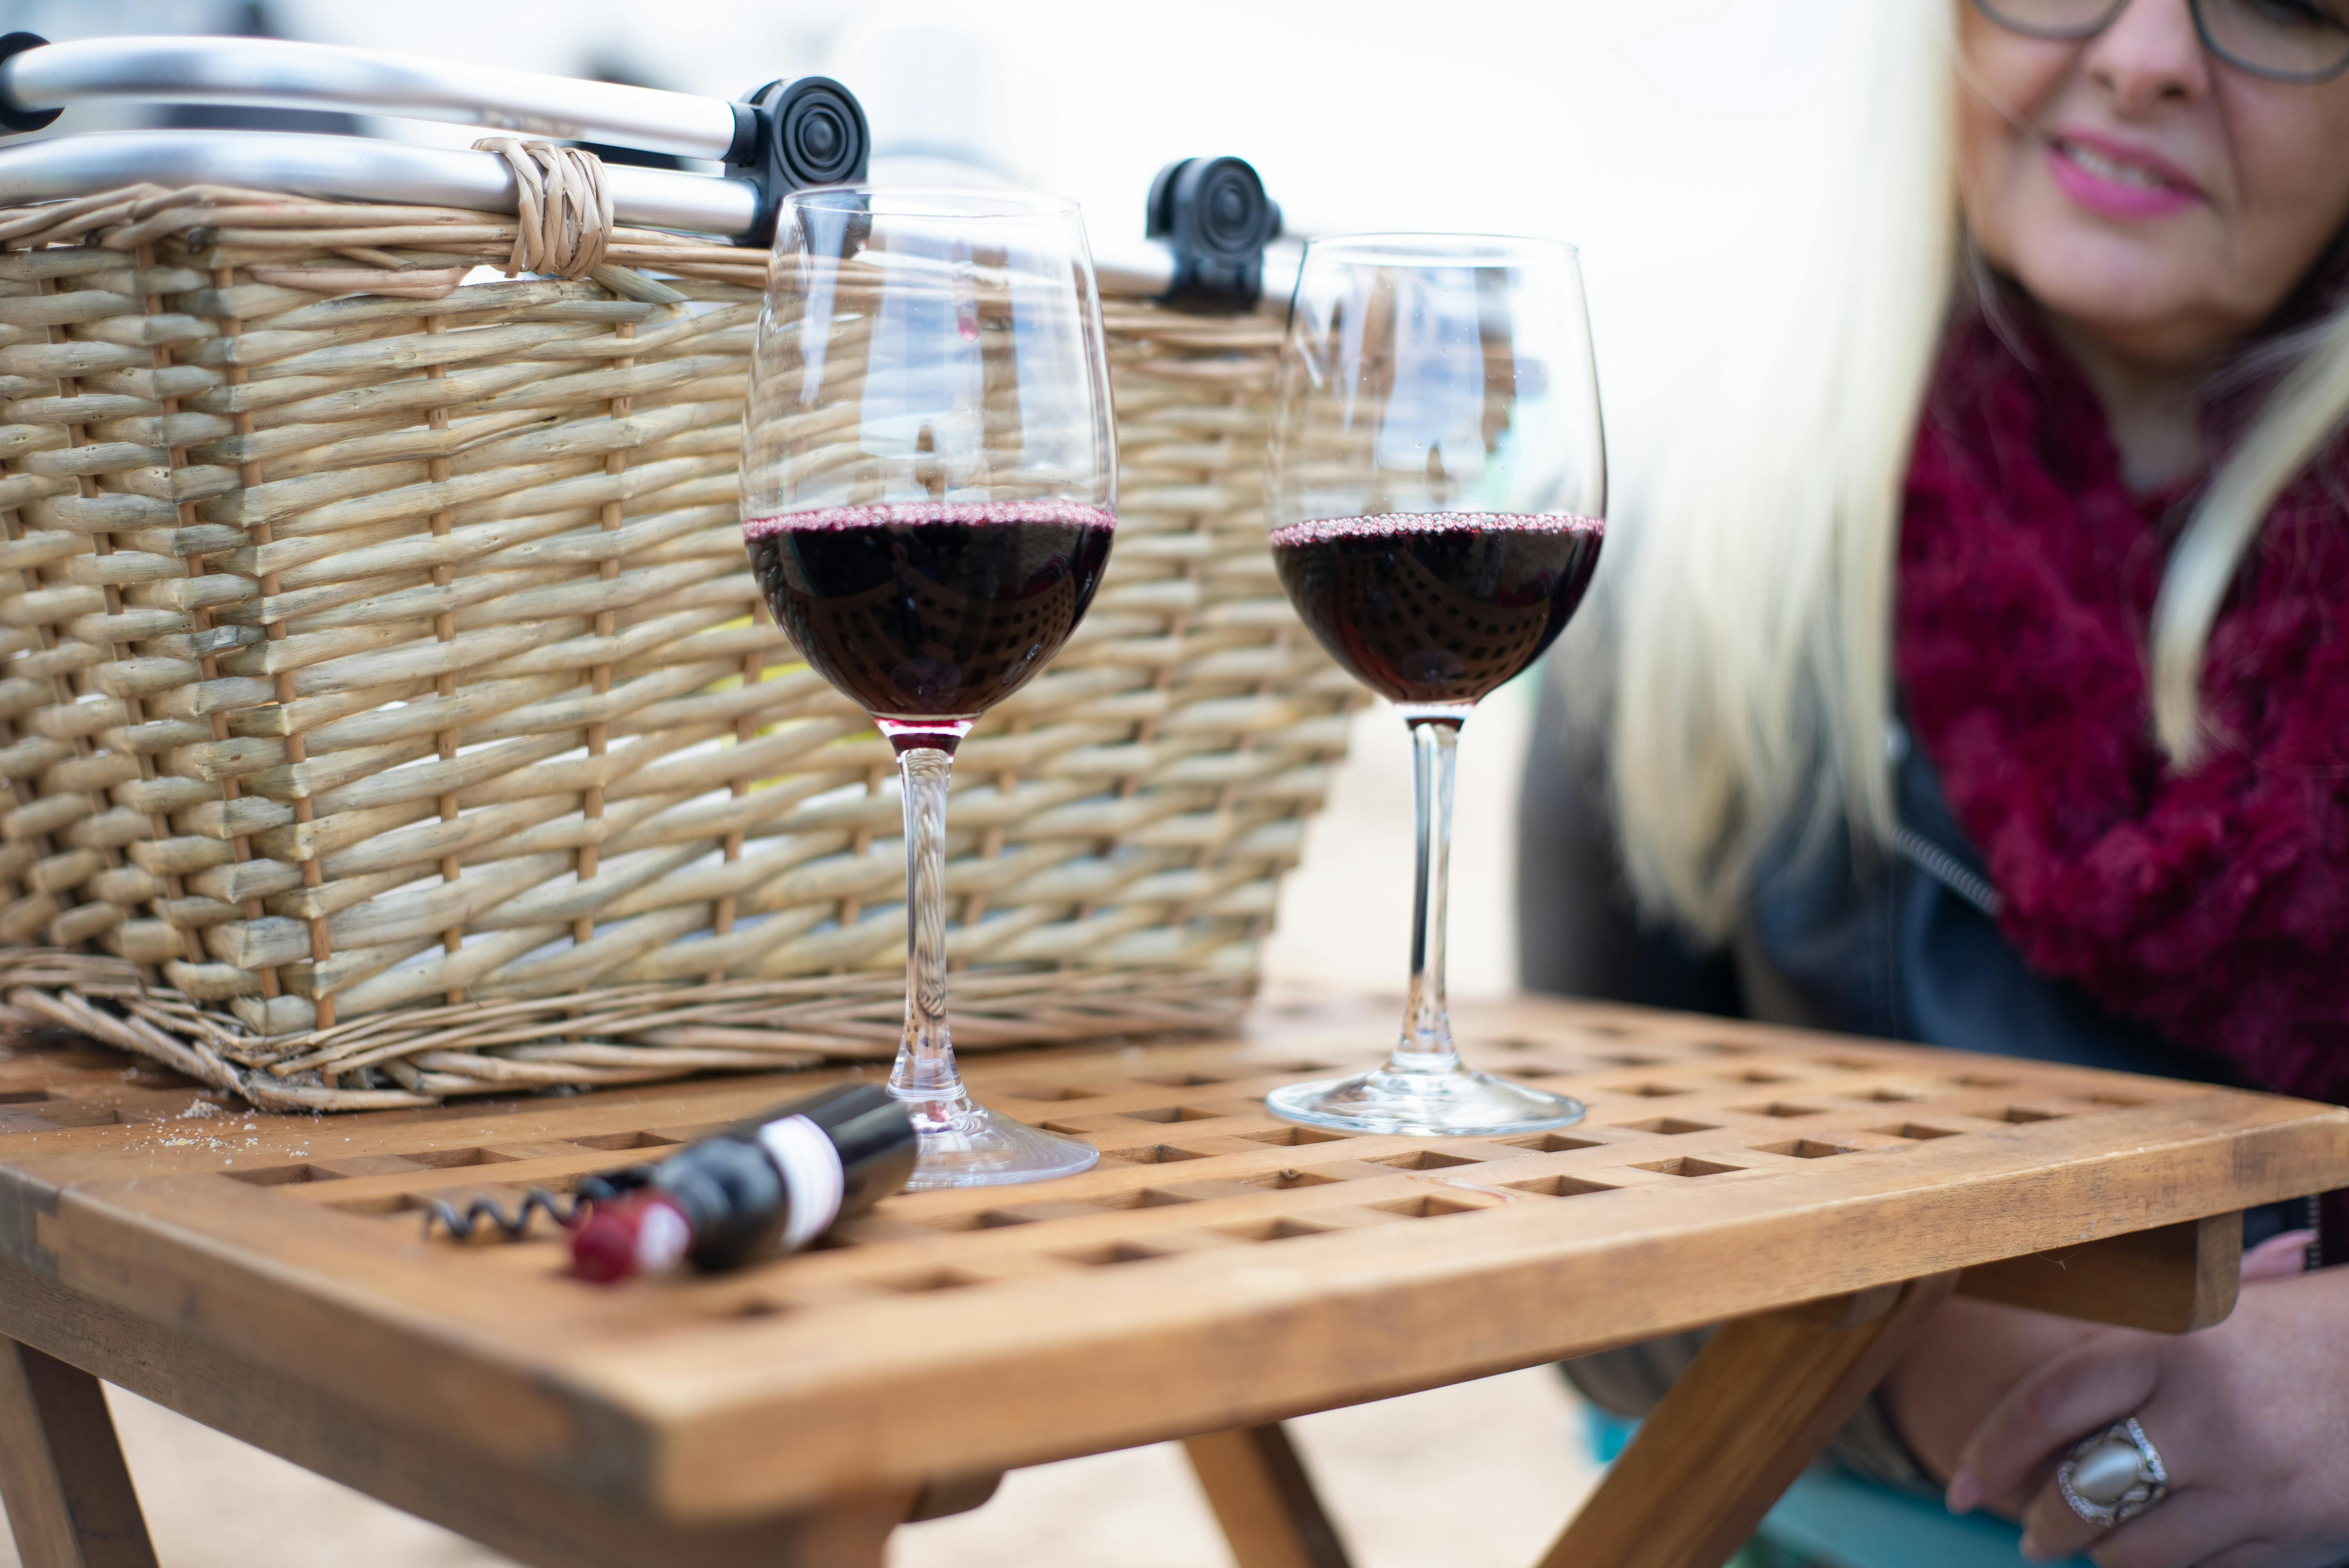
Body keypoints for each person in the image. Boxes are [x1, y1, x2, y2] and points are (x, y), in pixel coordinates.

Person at [1518, 2, 2349, 1564]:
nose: (2146, 54)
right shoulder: (1691, 545)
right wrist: (1902, 1348)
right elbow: (1557, 1242)